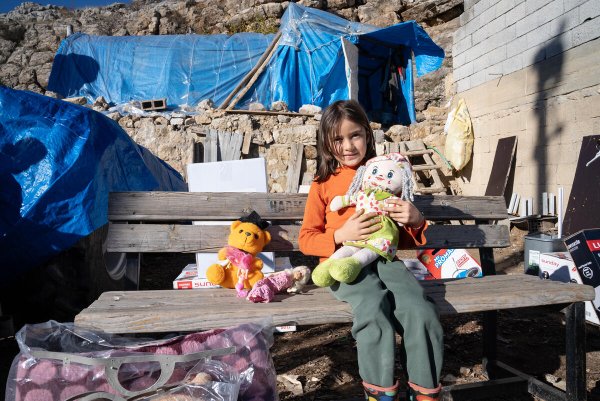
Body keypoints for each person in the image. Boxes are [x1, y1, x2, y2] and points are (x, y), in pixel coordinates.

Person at [298, 100, 443, 401]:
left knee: (420, 309)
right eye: (338, 139)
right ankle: (380, 392)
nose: (348, 146)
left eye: (355, 135)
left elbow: (395, 238)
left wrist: (415, 221)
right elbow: (306, 239)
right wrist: (340, 234)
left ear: (367, 134)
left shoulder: (386, 172)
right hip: (345, 266)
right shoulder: (322, 184)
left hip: (385, 260)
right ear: (326, 142)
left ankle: (425, 391)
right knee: (373, 309)